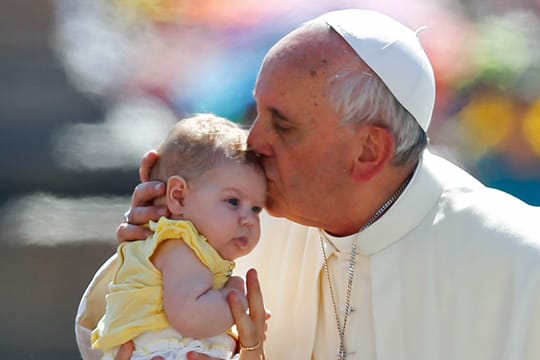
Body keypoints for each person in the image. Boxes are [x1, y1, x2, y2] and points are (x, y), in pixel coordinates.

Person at [77, 9, 540, 360]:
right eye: (254, 113)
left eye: (283, 125)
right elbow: (104, 340)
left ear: (367, 152)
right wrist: (147, 254)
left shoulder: (522, 264)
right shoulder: (233, 227)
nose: (253, 141)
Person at [87, 114, 267, 360]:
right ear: (179, 196)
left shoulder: (196, 251)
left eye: (256, 209)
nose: (249, 219)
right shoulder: (181, 246)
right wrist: (234, 301)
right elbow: (190, 316)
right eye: (233, 201)